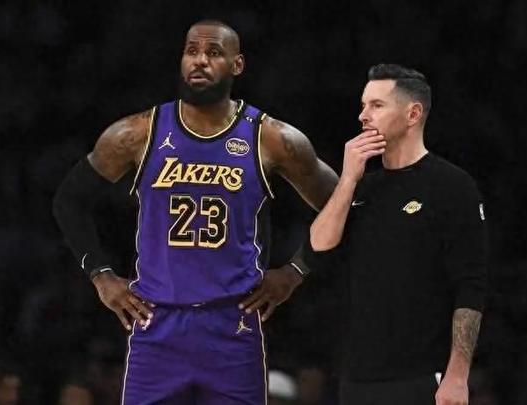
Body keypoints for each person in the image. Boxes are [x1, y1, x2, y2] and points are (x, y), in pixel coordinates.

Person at [53, 19, 338, 404]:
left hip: (232, 325)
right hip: (157, 323)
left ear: (237, 65)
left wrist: (295, 271)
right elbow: (69, 200)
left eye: (214, 52)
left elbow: (341, 205)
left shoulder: (271, 138)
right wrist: (101, 275)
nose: (200, 60)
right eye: (192, 51)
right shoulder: (137, 133)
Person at [309, 63, 487, 405]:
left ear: (413, 114)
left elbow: (470, 287)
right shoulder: (362, 188)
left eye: (376, 105)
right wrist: (348, 179)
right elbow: (318, 245)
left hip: (422, 375)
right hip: (356, 375)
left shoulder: (452, 186)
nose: (363, 115)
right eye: (363, 105)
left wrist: (457, 375)